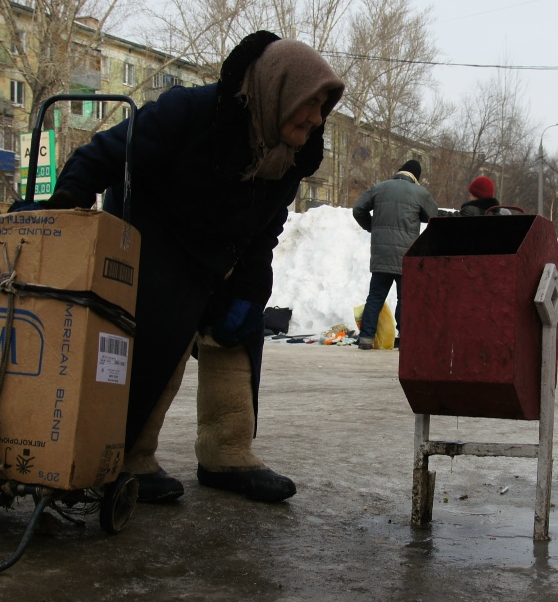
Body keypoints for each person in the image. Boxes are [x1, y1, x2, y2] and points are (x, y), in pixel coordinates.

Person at [46, 31, 344, 505]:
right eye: (310, 103)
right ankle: (127, 455)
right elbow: (103, 154)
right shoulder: (191, 111)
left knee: (240, 332)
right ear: (278, 88)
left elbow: (263, 232)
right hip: (155, 235)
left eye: (322, 108)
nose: (315, 118)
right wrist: (64, 208)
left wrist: (248, 292)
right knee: (166, 326)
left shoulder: (290, 155)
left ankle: (227, 452)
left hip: (223, 251)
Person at [352, 159, 439, 350]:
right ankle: (405, 338)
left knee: (375, 297)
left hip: (381, 254)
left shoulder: (379, 188)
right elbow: (435, 217)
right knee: (405, 298)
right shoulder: (420, 192)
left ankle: (366, 338)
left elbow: (358, 209)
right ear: (416, 177)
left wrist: (372, 226)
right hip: (406, 256)